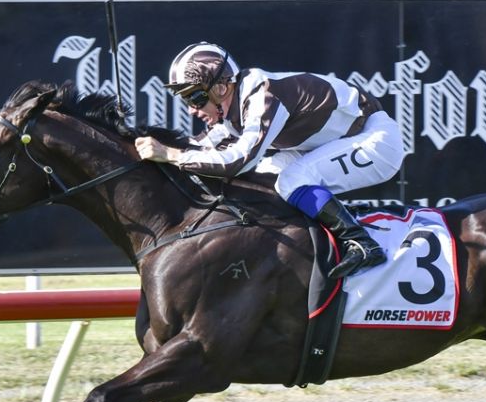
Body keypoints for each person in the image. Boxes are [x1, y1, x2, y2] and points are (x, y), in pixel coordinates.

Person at [135, 42, 403, 279]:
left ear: (221, 87)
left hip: (375, 140)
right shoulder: (230, 110)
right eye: (186, 99)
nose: (191, 109)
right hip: (334, 142)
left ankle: (361, 244)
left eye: (195, 97)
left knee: (292, 179)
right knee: (262, 177)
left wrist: (172, 155)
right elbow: (196, 148)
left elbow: (238, 161)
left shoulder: (263, 96)